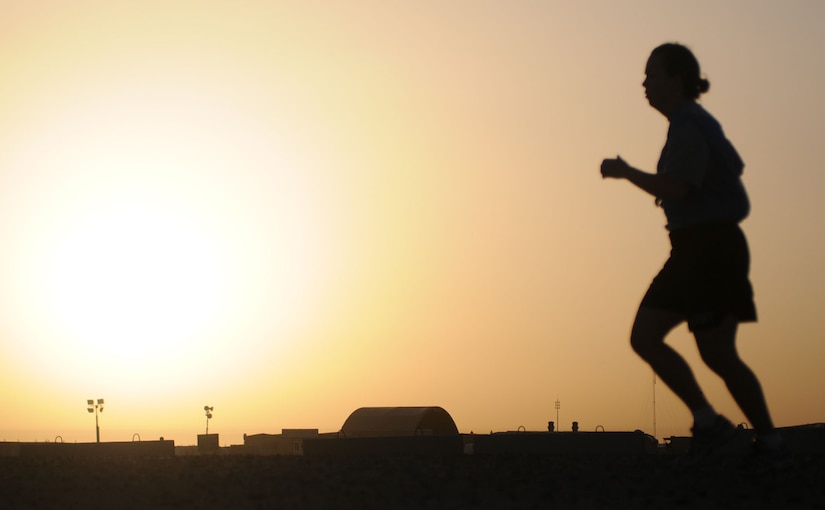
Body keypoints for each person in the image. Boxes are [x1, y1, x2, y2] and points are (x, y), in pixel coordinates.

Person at [600, 43, 790, 469]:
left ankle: (771, 445)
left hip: (713, 250)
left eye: (652, 75)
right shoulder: (684, 126)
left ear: (677, 78)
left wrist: (626, 172)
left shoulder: (690, 126)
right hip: (688, 249)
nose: (645, 84)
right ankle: (709, 421)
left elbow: (680, 188)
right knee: (646, 337)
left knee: (718, 352)